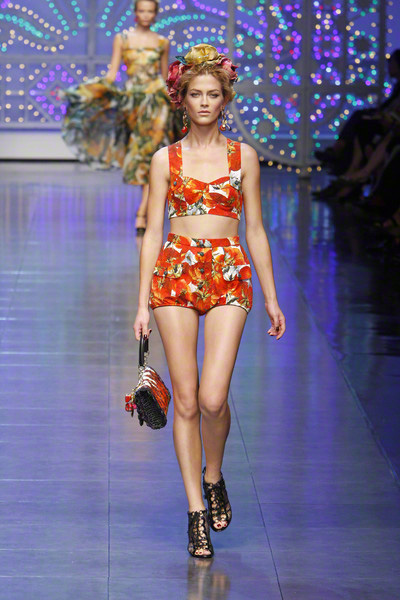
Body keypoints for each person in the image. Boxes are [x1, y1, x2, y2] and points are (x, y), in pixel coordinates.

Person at [133, 44, 286, 558]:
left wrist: (272, 296)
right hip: (175, 272)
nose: (204, 102)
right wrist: (141, 304)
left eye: (213, 94)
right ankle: (196, 510)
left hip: (229, 273)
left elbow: (256, 229)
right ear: (182, 99)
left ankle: (214, 473)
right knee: (187, 399)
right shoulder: (164, 159)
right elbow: (153, 234)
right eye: (195, 94)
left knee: (215, 399)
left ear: (225, 99)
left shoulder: (244, 157)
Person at [62, 0, 175, 234]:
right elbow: (112, 74)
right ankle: (146, 209)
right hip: (132, 103)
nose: (146, 15)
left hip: (157, 102)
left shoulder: (162, 42)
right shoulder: (122, 39)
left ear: (155, 14)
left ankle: (143, 212)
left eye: (150, 11)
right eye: (142, 11)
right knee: (140, 155)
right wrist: (89, 91)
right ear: (136, 13)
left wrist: (178, 98)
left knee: (152, 152)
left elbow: (165, 77)